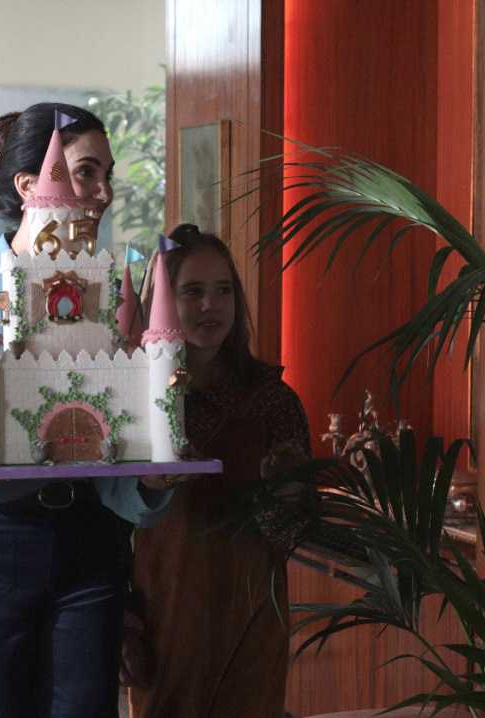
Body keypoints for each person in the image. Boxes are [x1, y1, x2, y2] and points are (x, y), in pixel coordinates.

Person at [0, 102, 175, 718]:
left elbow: (131, 442)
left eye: (107, 173)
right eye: (85, 172)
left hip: (92, 542)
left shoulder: (116, 291)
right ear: (30, 185)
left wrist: (151, 483)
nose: (103, 192)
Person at [124, 223, 312, 718]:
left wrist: (282, 495)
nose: (211, 305)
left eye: (223, 290)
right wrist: (119, 617)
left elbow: (293, 531)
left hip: (251, 617)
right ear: (163, 300)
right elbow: (110, 520)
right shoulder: (134, 400)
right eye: (193, 292)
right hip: (163, 613)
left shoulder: (273, 399)